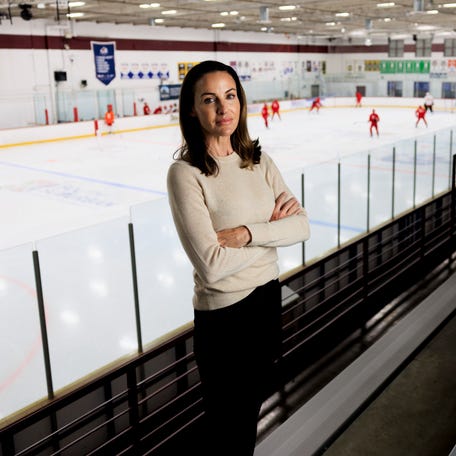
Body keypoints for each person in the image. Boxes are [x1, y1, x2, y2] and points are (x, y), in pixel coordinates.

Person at [167, 60, 310, 456]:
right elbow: (212, 265)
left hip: (266, 303)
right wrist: (270, 241)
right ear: (192, 109)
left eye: (230, 96)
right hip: (224, 319)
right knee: (227, 426)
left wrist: (248, 234)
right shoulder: (186, 173)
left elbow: (302, 227)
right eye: (209, 99)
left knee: (247, 417)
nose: (222, 108)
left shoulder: (258, 160)